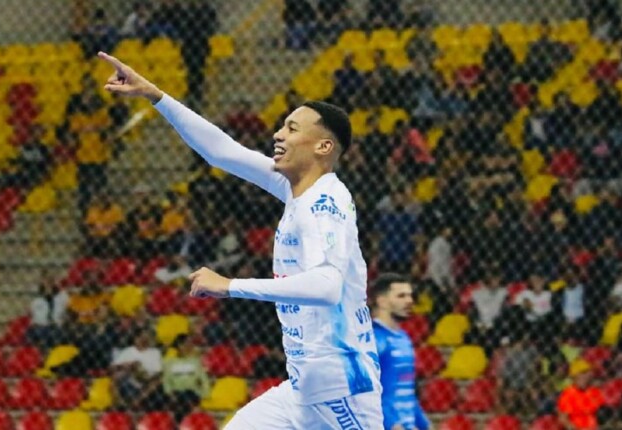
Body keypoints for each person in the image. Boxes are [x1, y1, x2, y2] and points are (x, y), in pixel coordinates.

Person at [98, 51, 383, 429]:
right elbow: (221, 151)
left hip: (340, 386)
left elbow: (328, 285)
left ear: (323, 147)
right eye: (282, 127)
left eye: (292, 129)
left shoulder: (324, 202)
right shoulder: (295, 189)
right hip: (302, 387)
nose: (278, 135)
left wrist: (230, 286)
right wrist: (155, 95)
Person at [370, 273, 430, 430]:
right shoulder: (373, 339)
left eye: (410, 295)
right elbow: (370, 392)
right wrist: (393, 425)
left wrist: (424, 425)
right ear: (382, 301)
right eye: (401, 296)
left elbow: (407, 390)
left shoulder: (403, 338)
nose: (409, 301)